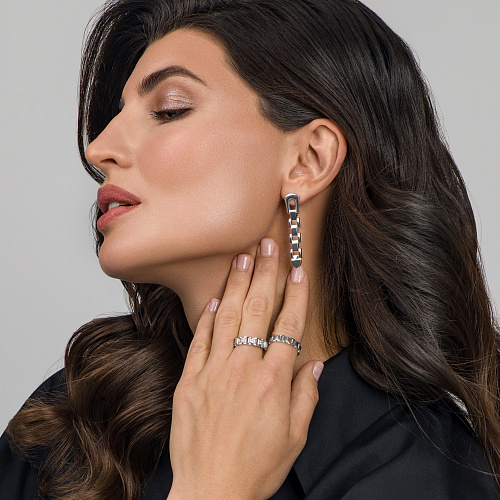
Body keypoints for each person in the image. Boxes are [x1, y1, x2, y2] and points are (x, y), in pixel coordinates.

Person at [1, 0, 499, 498]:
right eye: (117, 114)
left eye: (169, 110)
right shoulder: (78, 414)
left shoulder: (424, 471)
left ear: (309, 159)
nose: (98, 149)